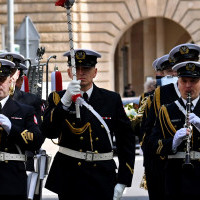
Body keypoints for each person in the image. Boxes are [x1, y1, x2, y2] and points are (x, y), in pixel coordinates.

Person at [41, 49, 135, 200]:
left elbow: (126, 141)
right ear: (69, 73)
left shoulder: (111, 99)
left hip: (102, 175)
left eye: (86, 69)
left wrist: (123, 180)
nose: (81, 73)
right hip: (69, 176)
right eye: (76, 69)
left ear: (95, 72)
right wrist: (65, 102)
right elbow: (48, 131)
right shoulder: (58, 98)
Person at [142, 43, 200, 200]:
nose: (188, 85)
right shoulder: (162, 95)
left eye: (193, 80)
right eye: (184, 80)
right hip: (171, 171)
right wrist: (172, 143)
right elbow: (150, 135)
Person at [0, 59, 44, 200]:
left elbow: (36, 141)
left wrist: (11, 128)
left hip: (11, 178)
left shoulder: (24, 110)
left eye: (2, 80)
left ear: (9, 81)